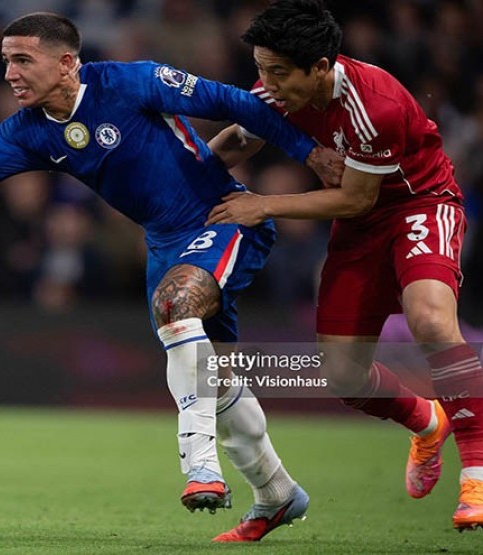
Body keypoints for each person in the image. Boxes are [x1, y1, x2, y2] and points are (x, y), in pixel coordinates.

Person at [0, 12, 343, 542]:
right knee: (215, 379)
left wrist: (309, 151)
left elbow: (234, 103)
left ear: (66, 63)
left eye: (22, 60)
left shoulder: (130, 82)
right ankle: (277, 492)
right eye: (6, 61)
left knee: (176, 306)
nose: (10, 73)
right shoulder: (27, 133)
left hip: (223, 216)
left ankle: (200, 466)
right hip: (164, 244)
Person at [207, 0, 483, 533]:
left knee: (430, 319)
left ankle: (476, 476)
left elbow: (356, 198)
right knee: (342, 374)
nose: (267, 84)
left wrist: (263, 204)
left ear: (319, 66)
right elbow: (240, 138)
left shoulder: (374, 105)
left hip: (419, 204)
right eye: (262, 69)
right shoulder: (278, 91)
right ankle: (427, 421)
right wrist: (174, 177)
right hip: (359, 227)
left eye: (278, 72)